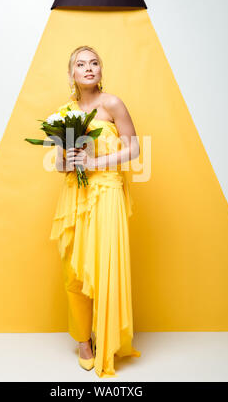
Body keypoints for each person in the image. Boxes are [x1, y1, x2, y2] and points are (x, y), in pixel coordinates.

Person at [50, 45, 141, 378]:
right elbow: (60, 165)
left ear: (101, 70)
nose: (88, 68)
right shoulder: (64, 113)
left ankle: (108, 337)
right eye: (80, 63)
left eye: (94, 63)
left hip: (108, 194)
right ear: (72, 73)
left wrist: (96, 162)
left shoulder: (112, 103)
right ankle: (83, 340)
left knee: (106, 267)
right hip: (76, 197)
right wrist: (69, 160)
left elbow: (134, 147)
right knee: (74, 271)